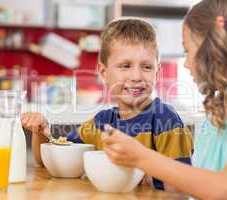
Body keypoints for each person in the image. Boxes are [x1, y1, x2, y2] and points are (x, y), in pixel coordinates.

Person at [101, 0, 227, 199]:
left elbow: (224, 188)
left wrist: (140, 157)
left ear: (211, 53)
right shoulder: (216, 117)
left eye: (187, 51)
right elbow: (198, 184)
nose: (186, 63)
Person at [21, 17, 193, 191]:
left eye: (147, 67)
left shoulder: (166, 120)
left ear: (157, 74)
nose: (136, 76)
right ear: (103, 73)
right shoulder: (100, 123)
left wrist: (151, 176)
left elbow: (184, 183)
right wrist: (40, 132)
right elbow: (54, 161)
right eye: (125, 66)